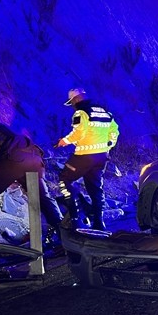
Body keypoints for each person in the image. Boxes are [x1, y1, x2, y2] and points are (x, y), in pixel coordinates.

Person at [0, 121, 64, 240]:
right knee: (42, 197)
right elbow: (2, 151)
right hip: (35, 159)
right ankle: (62, 229)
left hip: (17, 158)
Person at [55, 87, 120, 230]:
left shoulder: (81, 113)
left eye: (72, 102)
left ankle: (75, 216)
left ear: (76, 99)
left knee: (64, 180)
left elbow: (78, 133)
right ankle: (99, 223)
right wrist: (109, 145)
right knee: (96, 188)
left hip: (84, 156)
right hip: (102, 157)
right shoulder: (104, 112)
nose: (72, 105)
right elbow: (114, 130)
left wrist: (63, 141)